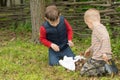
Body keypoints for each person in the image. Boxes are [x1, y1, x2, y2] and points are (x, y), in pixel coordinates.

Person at [80, 8, 114, 76]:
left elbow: (105, 38)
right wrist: (90, 49)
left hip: (99, 59)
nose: (88, 26)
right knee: (88, 63)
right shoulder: (101, 27)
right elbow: (97, 43)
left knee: (83, 72)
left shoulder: (97, 29)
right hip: (104, 58)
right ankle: (108, 67)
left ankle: (105, 70)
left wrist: (105, 53)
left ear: (89, 21)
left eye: (87, 24)